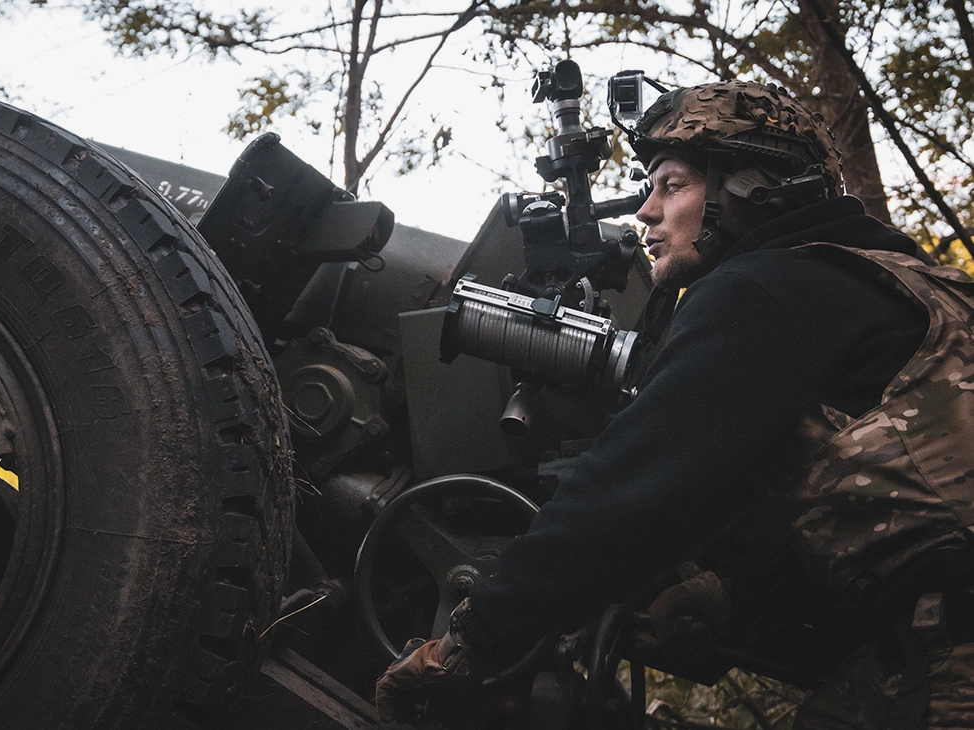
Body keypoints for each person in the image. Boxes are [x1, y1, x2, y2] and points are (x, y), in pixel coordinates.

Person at [376, 79, 974, 728]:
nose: (645, 211)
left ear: (749, 190)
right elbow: (882, 487)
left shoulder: (764, 288)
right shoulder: (907, 288)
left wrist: (467, 645)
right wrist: (729, 596)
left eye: (672, 184)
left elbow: (632, 491)